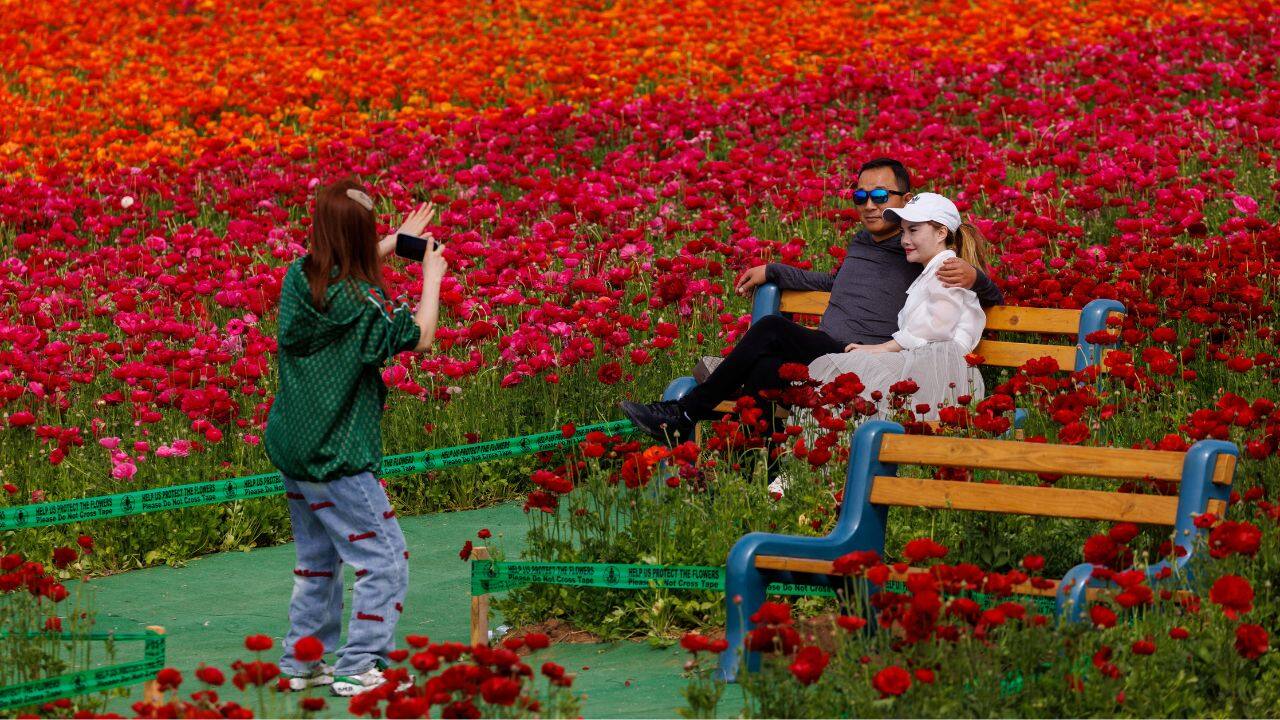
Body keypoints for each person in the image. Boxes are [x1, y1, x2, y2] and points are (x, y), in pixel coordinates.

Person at [620, 158, 1003, 444]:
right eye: (860, 196)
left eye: (880, 197)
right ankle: (757, 475)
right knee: (765, 370)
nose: (870, 205)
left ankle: (686, 411)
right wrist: (775, 270)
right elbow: (836, 283)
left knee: (770, 328)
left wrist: (977, 278)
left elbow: (979, 294)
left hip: (857, 357)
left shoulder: (915, 250)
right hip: (825, 348)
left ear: (904, 200)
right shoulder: (865, 243)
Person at [263, 179, 448, 697]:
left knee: (317, 561)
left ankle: (303, 661)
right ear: (357, 235)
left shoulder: (300, 277)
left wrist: (392, 242)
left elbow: (343, 272)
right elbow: (421, 335)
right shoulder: (365, 302)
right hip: (338, 454)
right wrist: (431, 275)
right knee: (384, 560)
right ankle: (359, 663)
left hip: (294, 445)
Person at [808, 192, 989, 418]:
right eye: (903, 231)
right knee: (840, 376)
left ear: (941, 233)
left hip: (940, 371)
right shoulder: (932, 270)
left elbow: (937, 327)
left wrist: (880, 348)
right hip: (926, 364)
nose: (904, 239)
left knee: (835, 370)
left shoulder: (948, 268)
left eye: (913, 230)